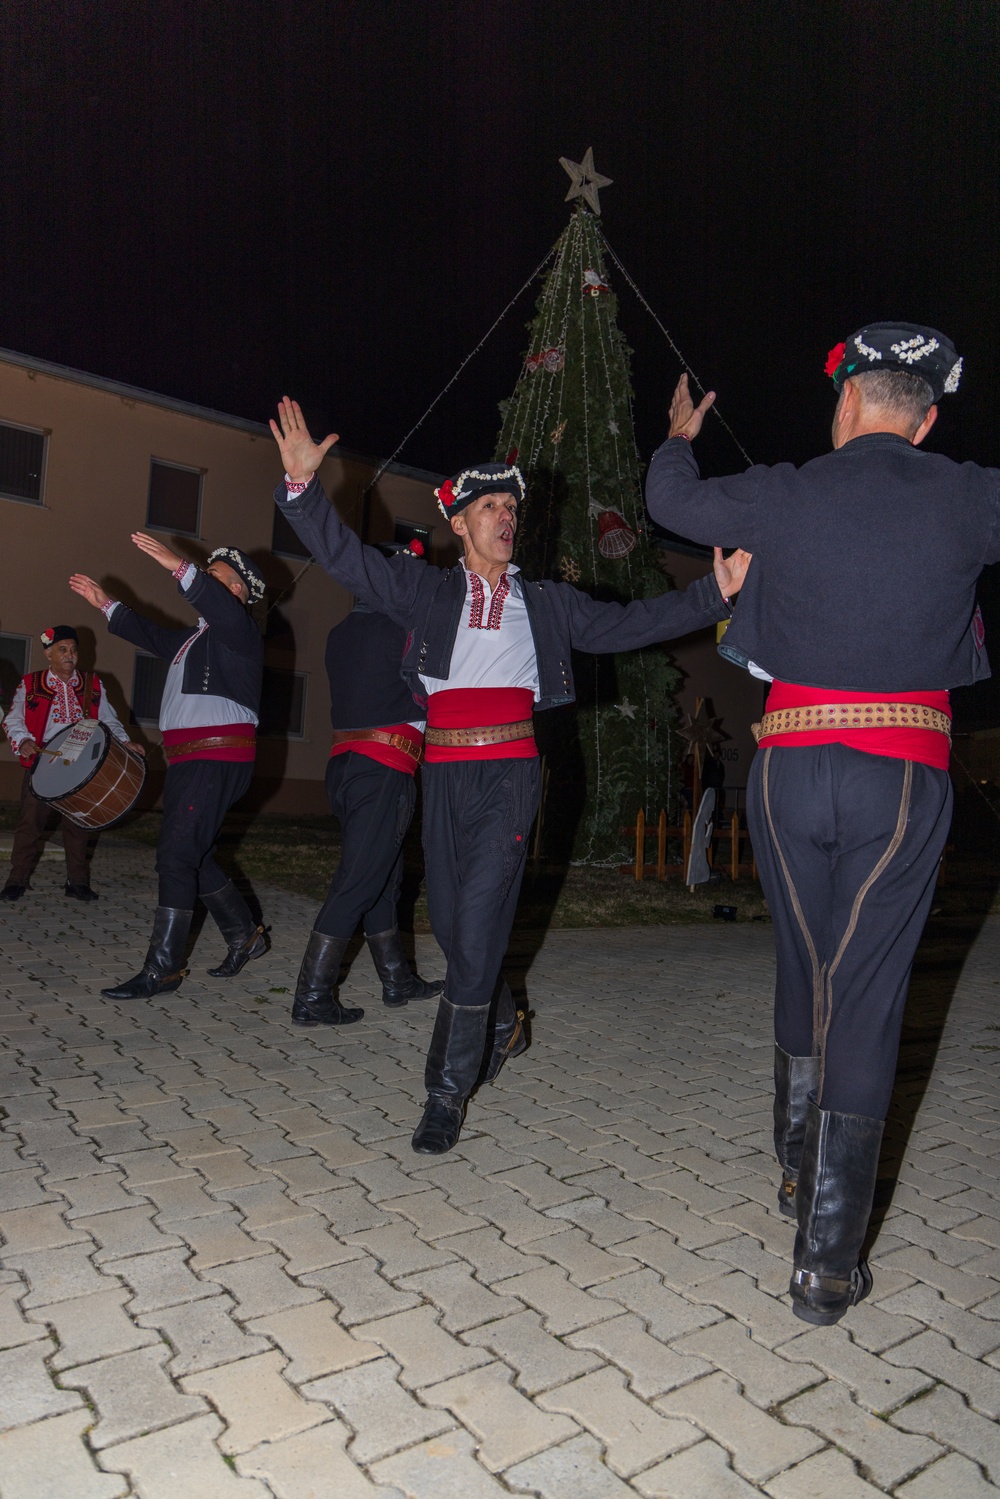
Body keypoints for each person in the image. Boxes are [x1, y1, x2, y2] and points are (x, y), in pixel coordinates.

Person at [269, 397, 750, 1155]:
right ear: (458, 522)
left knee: (483, 920)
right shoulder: (427, 592)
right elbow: (349, 560)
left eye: (510, 507)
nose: (504, 516)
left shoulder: (547, 603)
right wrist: (302, 492)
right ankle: (500, 1020)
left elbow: (631, 624)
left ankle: (445, 1088)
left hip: (511, 776)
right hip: (445, 776)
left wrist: (712, 593)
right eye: (488, 506)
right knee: (461, 930)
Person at [646, 326, 999, 1325]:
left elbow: (669, 501)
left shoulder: (788, 487)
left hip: (790, 765)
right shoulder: (966, 492)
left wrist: (679, 436)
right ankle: (826, 1265)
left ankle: (797, 1173)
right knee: (868, 992)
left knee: (805, 967)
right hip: (900, 773)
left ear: (843, 406)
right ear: (924, 421)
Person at [70, 533, 267, 999]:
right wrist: (105, 603)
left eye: (218, 580)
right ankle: (244, 936)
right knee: (190, 854)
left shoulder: (239, 631)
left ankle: (163, 970)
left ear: (237, 593)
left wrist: (178, 567)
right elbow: (148, 632)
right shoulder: (192, 640)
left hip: (215, 757)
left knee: (176, 857)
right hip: (190, 761)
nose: (209, 584)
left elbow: (215, 605)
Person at [292, 550, 443, 1027]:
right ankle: (311, 996)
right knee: (358, 882)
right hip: (384, 767)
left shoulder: (342, 632)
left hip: (345, 765)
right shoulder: (404, 631)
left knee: (383, 876)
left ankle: (397, 979)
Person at [2, 624, 144, 901]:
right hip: (42, 763)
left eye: (73, 650)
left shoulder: (92, 684)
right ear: (49, 654)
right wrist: (24, 741)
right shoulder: (30, 684)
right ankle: (16, 880)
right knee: (30, 822)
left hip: (81, 766)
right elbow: (13, 719)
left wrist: (126, 743)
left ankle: (77, 882)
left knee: (79, 824)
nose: (70, 655)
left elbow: (109, 720)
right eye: (62, 650)